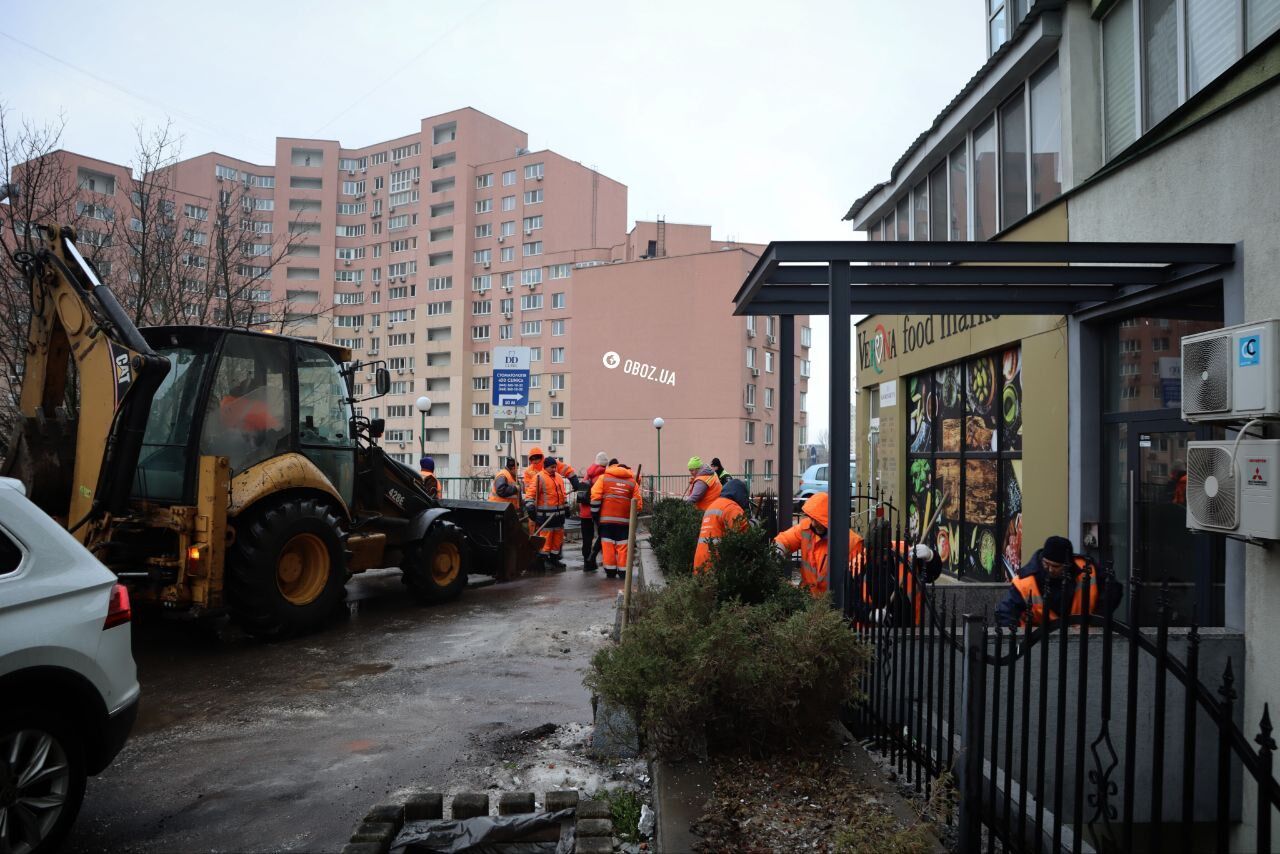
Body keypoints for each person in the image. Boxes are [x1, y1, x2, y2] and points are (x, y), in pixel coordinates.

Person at [995, 535, 1122, 628]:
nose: (1049, 570)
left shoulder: (1087, 569)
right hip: (1039, 642)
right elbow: (1005, 612)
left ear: (1068, 565)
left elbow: (1113, 590)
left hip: (1082, 640)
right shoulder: (1025, 582)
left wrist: (1095, 620)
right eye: (1046, 564)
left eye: (1055, 566)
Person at [851, 519, 940, 627]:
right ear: (868, 548)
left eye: (885, 551)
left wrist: (931, 557)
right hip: (872, 634)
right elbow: (851, 603)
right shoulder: (857, 566)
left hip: (909, 629)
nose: (882, 556)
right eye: (877, 552)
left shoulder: (906, 553)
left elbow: (932, 575)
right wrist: (869, 613)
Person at [774, 492, 864, 598]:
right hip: (806, 598)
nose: (814, 523)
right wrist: (775, 558)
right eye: (812, 518)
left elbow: (858, 583)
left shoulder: (852, 543)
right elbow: (783, 541)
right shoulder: (805, 528)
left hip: (833, 604)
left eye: (818, 520)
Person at [590, 461, 643, 577]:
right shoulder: (632, 483)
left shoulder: (603, 478)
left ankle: (610, 570)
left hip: (606, 521)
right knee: (623, 546)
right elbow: (638, 505)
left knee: (608, 545)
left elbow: (595, 497)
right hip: (624, 522)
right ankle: (624, 571)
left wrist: (595, 515)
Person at [526, 456, 569, 571]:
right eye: (552, 467)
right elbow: (530, 494)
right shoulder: (539, 477)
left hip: (558, 516)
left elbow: (563, 494)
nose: (554, 469)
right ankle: (542, 562)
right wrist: (530, 507)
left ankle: (554, 559)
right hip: (545, 517)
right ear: (546, 467)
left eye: (555, 467)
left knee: (557, 540)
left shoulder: (559, 477)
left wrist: (566, 506)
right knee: (546, 541)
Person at [693, 493, 748, 574]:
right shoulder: (732, 507)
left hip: (700, 563)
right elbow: (743, 532)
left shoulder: (713, 505)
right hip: (715, 566)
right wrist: (754, 524)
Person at [579, 451, 609, 572]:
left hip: (584, 512)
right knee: (603, 534)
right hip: (597, 511)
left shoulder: (588, 473)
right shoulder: (602, 476)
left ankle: (587, 562)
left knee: (587, 538)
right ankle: (592, 557)